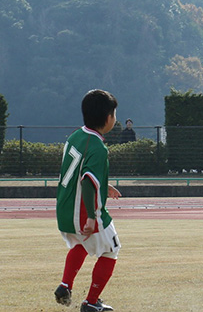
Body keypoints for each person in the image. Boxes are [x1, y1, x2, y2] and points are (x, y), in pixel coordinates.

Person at [54, 89, 122, 311]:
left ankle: (65, 285)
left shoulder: (75, 136)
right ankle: (91, 302)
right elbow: (87, 181)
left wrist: (105, 184)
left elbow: (79, 173)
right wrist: (92, 217)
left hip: (64, 210)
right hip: (83, 212)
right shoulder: (97, 147)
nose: (115, 119)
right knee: (112, 249)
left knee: (82, 245)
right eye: (114, 114)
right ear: (107, 118)